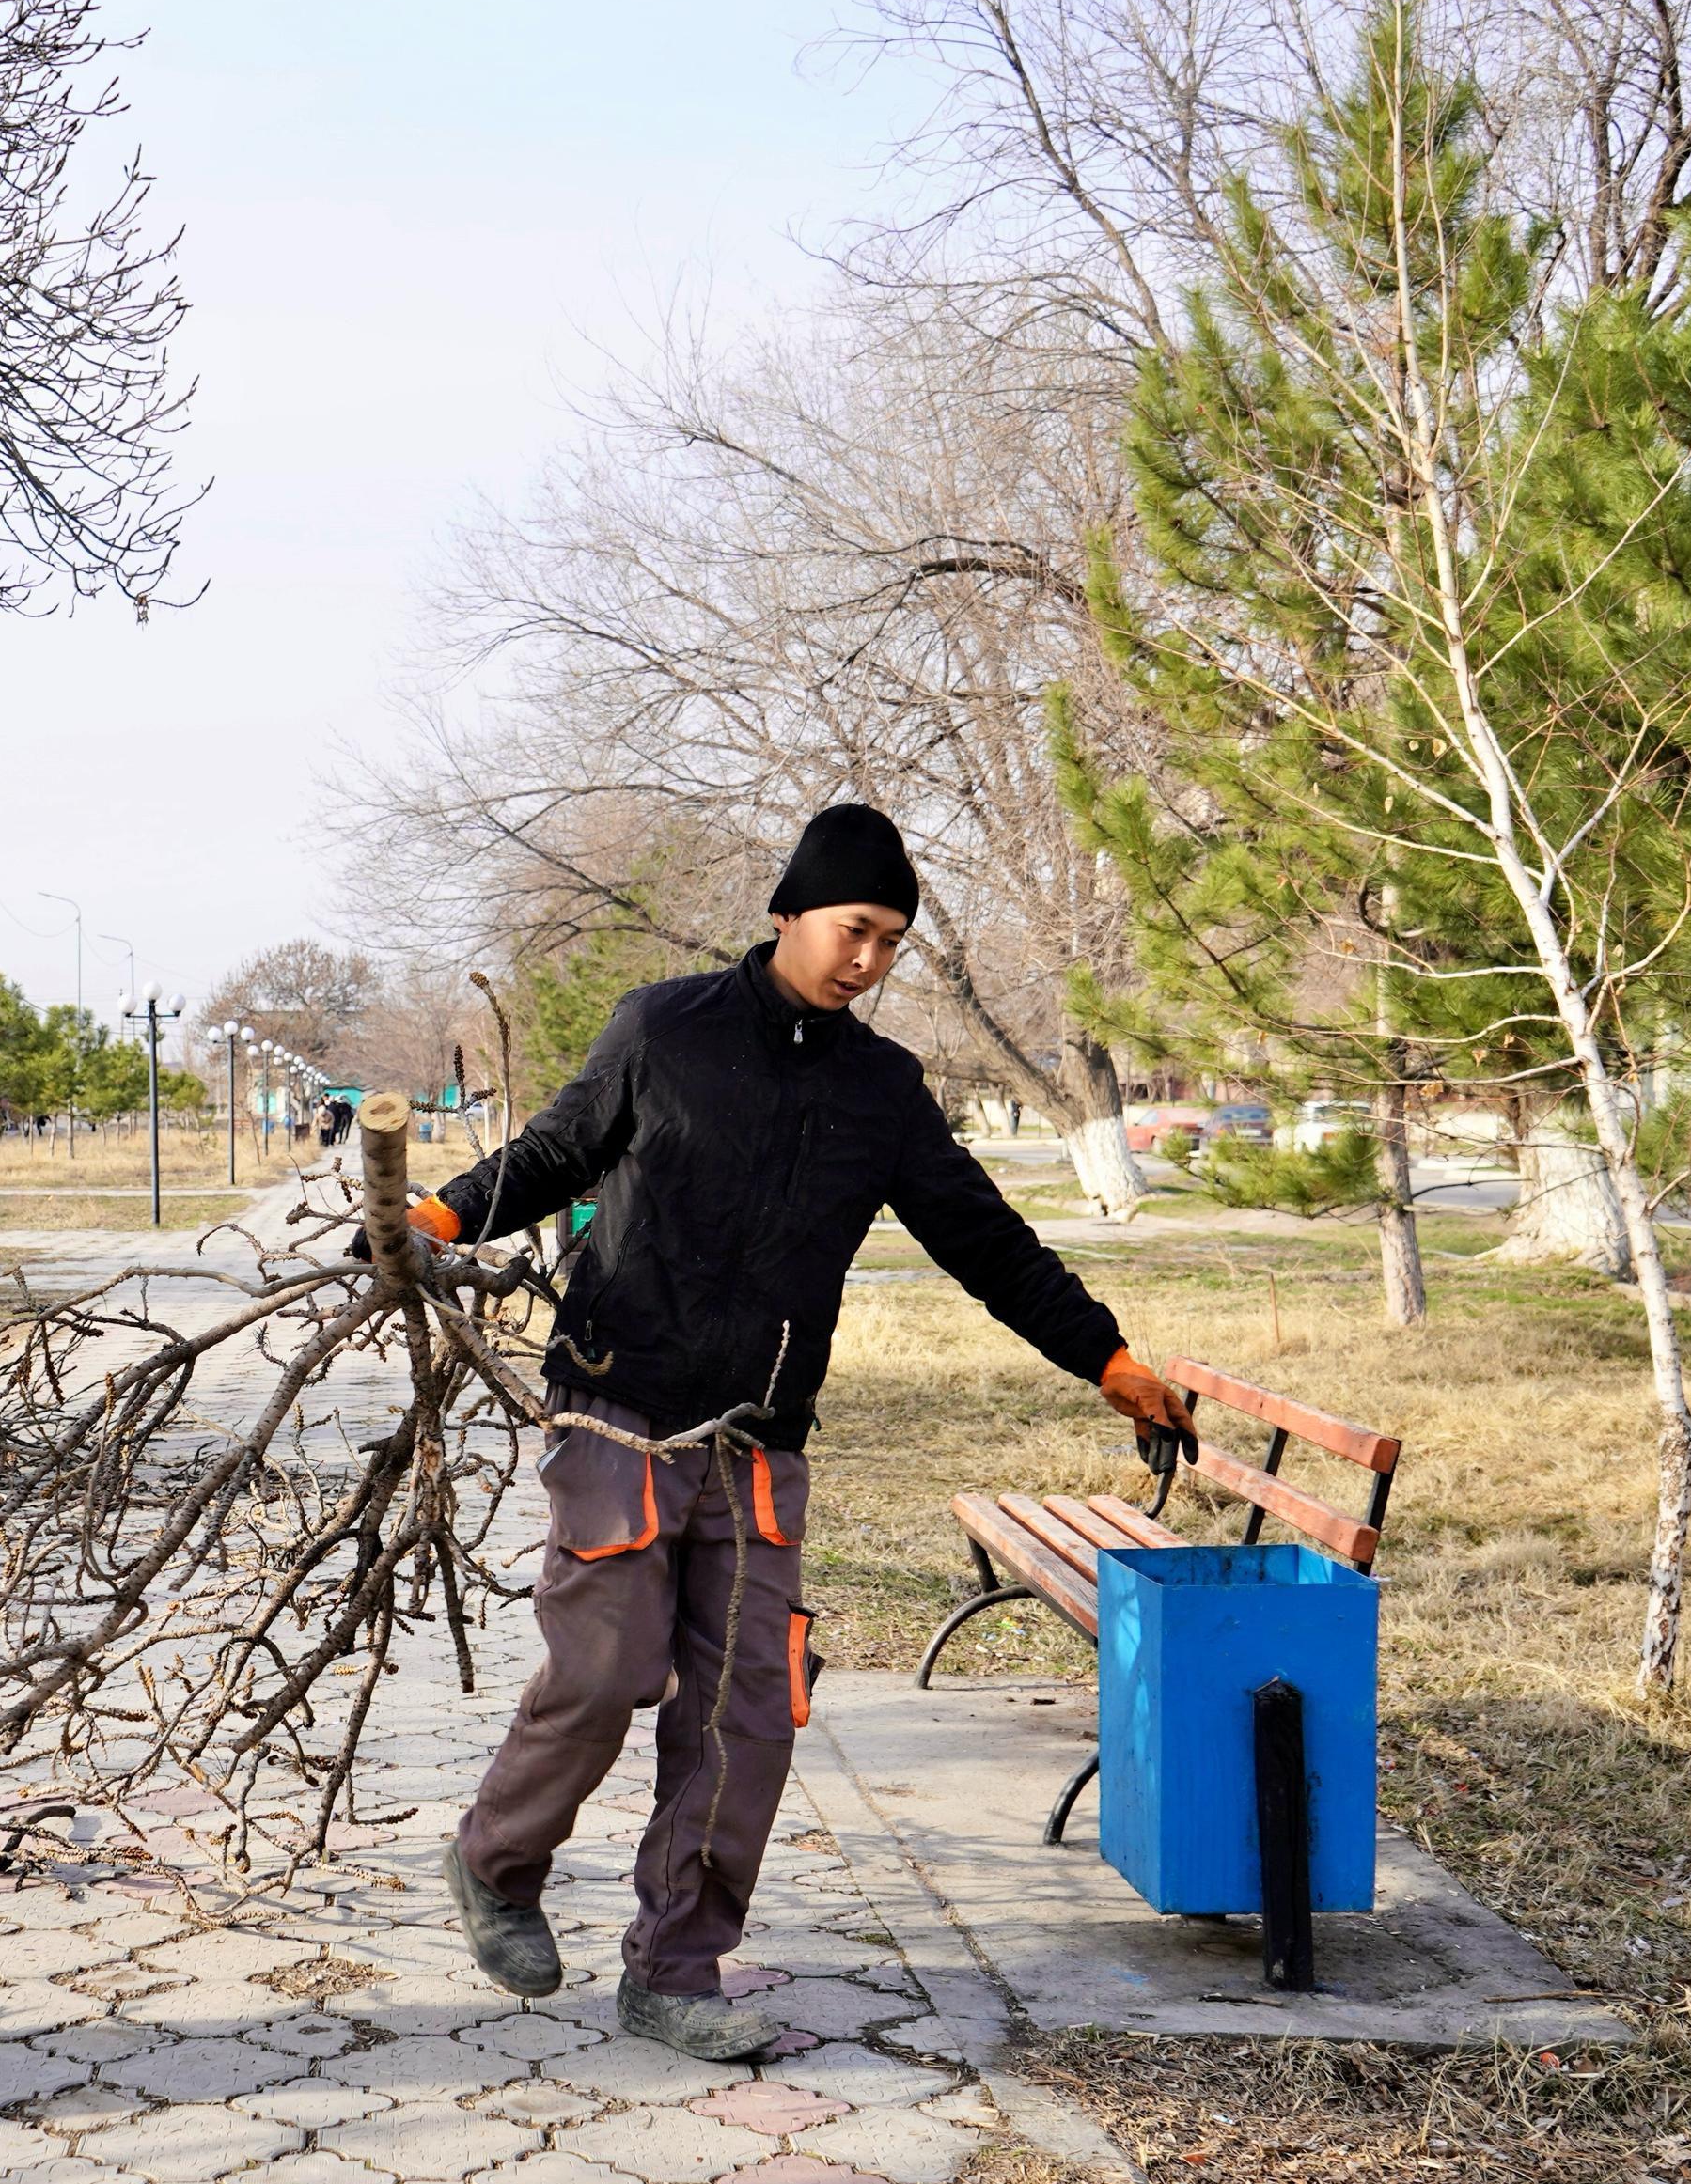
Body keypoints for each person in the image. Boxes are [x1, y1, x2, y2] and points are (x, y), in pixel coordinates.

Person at [409, 804, 1198, 2061]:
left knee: (747, 1710)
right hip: (622, 1408)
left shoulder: (882, 1090)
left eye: (891, 942)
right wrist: (441, 1222)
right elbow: (559, 1151)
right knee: (605, 1668)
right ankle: (497, 1861)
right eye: (853, 930)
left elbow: (986, 1240)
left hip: (759, 1439)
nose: (869, 962)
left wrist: (1103, 1357)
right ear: (789, 912)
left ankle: (674, 1970)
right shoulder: (663, 1029)